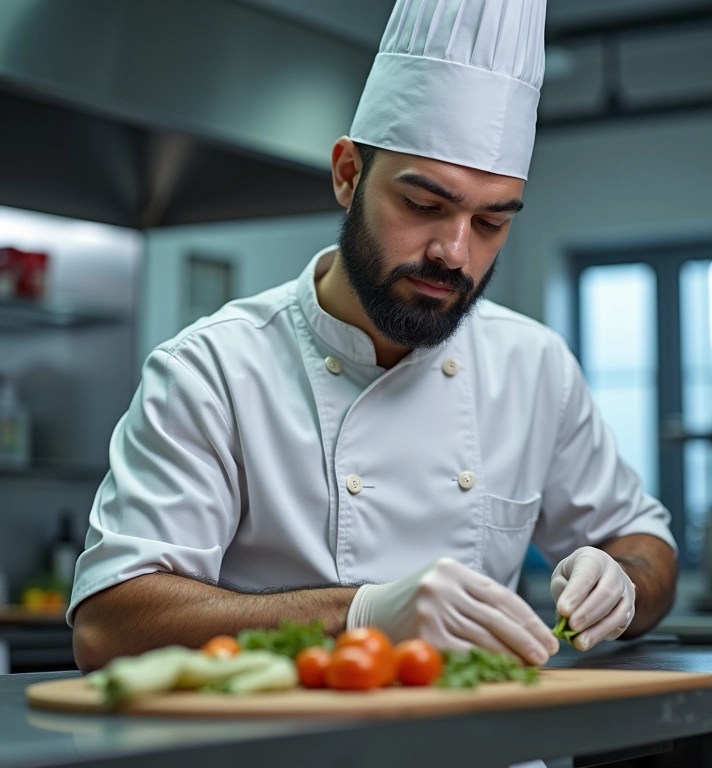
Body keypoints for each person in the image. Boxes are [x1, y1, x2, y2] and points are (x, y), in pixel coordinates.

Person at [70, 0, 677, 675]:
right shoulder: (211, 370)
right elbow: (106, 623)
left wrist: (623, 581)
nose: (454, 252)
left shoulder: (534, 367)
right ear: (347, 174)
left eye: (490, 223)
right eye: (425, 206)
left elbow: (646, 545)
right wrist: (355, 615)